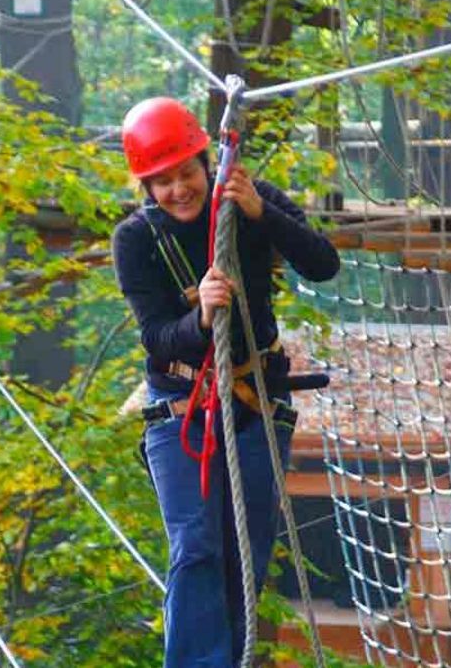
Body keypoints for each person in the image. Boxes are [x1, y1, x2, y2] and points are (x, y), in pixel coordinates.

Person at [112, 96, 340, 667]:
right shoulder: (137, 240)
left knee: (247, 556)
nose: (179, 189)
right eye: (161, 181)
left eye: (187, 173)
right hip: (181, 402)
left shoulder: (248, 203)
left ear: (206, 162)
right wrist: (202, 318)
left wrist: (263, 214)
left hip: (255, 396)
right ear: (145, 186)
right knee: (195, 547)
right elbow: (158, 337)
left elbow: (323, 263)